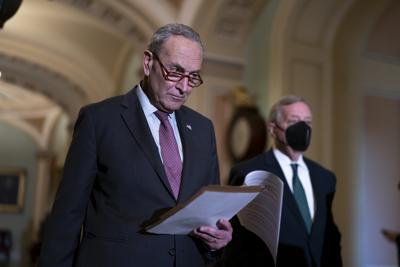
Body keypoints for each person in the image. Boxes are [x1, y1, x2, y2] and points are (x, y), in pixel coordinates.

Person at [38, 23, 232, 267]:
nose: (184, 87)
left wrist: (217, 241)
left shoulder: (203, 129)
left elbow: (207, 214)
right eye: (175, 72)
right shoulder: (99, 120)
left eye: (193, 76)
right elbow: (67, 217)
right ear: (148, 63)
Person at [222, 95, 342, 267]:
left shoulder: (325, 178)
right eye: (294, 121)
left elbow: (329, 235)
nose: (303, 127)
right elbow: (237, 239)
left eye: (307, 122)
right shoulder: (248, 172)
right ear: (273, 129)